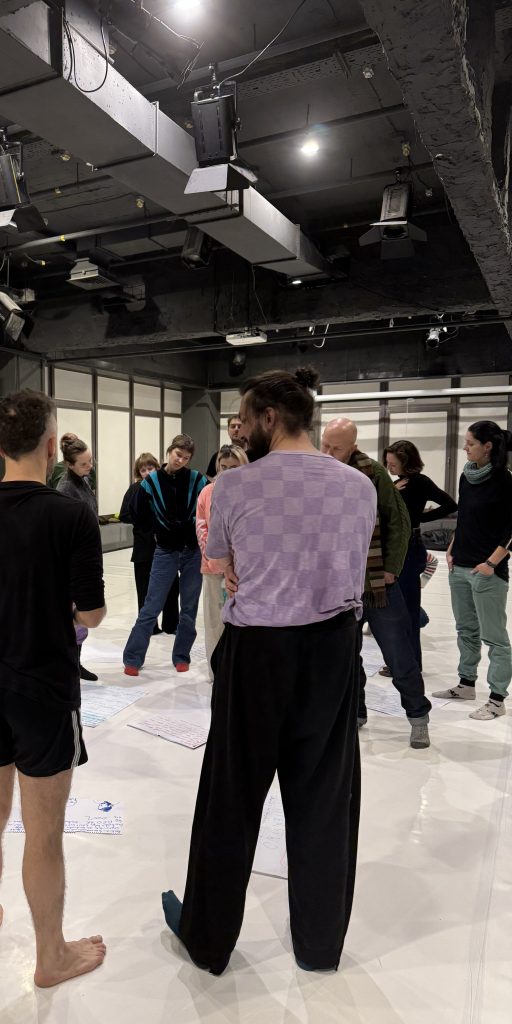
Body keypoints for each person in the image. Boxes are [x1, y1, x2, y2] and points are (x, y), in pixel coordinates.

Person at [162, 368, 376, 976]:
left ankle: (209, 939)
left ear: (270, 418)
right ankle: (319, 945)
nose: (238, 429)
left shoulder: (234, 486)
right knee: (325, 797)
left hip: (258, 649)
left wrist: (250, 568)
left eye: (243, 418)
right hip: (332, 649)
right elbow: (354, 558)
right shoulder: (358, 485)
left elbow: (220, 560)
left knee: (231, 795)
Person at [0, 389, 107, 986]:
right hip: (46, 690)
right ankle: (50, 955)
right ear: (48, 443)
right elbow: (91, 614)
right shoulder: (71, 515)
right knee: (43, 832)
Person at [321, 418, 432, 749]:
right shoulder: (319, 471)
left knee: (399, 654)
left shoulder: (373, 473)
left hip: (376, 582)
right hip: (339, 582)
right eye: (325, 445)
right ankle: (356, 712)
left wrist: (391, 569)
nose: (328, 452)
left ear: (353, 447)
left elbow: (399, 521)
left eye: (336, 448)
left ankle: (418, 716)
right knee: (346, 655)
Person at [433, 421, 512, 720]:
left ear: (487, 446)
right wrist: (451, 548)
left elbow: (511, 528)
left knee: (495, 638)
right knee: (466, 630)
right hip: (460, 565)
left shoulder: (504, 480)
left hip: (487, 571)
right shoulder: (466, 476)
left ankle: (497, 699)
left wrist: (492, 563)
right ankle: (466, 684)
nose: (464, 447)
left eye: (470, 443)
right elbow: (464, 516)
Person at [122, 435, 207, 676]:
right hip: (165, 551)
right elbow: (137, 514)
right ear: (169, 451)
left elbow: (207, 510)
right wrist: (156, 533)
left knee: (188, 608)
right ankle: (132, 658)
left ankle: (181, 656)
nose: (181, 460)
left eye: (186, 458)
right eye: (178, 455)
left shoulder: (198, 480)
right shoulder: (150, 483)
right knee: (151, 606)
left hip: (192, 552)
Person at [379, 440, 456, 674]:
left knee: (408, 609)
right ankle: (404, 660)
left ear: (406, 462)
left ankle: (410, 663)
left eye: (393, 464)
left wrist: (420, 519)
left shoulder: (420, 482)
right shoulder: (396, 483)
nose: (390, 468)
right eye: (388, 463)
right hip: (395, 547)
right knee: (396, 608)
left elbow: (450, 504)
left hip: (410, 548)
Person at [196, 444, 249, 679]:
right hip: (213, 568)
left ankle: (239, 673)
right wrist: (218, 561)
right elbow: (202, 528)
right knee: (214, 622)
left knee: (242, 623)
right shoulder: (207, 492)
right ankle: (216, 673)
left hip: (244, 570)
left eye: (233, 467)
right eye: (223, 466)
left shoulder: (251, 492)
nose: (227, 471)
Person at [119, 453, 179, 637]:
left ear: (157, 468)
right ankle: (149, 626)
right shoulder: (135, 489)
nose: (146, 472)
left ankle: (171, 624)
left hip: (167, 546)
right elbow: (124, 514)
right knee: (144, 589)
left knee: (172, 586)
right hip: (144, 548)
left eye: (150, 468)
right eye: (143, 470)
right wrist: (145, 519)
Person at [56, 436, 99, 681]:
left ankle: (76, 663)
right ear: (69, 465)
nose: (89, 466)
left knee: (81, 618)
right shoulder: (65, 489)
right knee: (72, 618)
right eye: (83, 464)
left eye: (90, 461)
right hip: (72, 562)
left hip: (86, 558)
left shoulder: (83, 480)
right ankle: (69, 665)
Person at [205, 414, 245, 478]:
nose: (236, 429)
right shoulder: (217, 456)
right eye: (233, 426)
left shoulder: (255, 456)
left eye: (239, 426)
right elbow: (209, 478)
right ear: (228, 430)